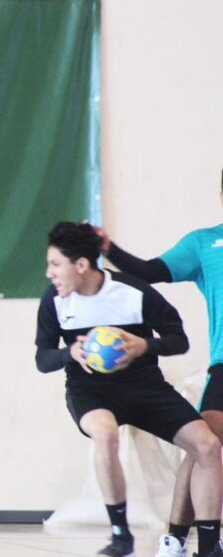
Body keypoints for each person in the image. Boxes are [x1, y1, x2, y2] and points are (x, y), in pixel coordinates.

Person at [36, 222, 223, 557]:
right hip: (89, 388)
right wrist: (71, 353)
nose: (50, 273)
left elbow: (178, 340)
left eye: (54, 264)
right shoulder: (54, 301)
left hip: (145, 387)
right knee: (105, 433)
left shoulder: (132, 291)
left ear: (80, 265)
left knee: (207, 445)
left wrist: (143, 346)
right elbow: (43, 358)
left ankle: (210, 548)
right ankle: (121, 535)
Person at [96, 190, 223, 557]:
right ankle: (176, 541)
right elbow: (149, 272)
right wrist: (110, 249)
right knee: (205, 447)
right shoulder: (204, 243)